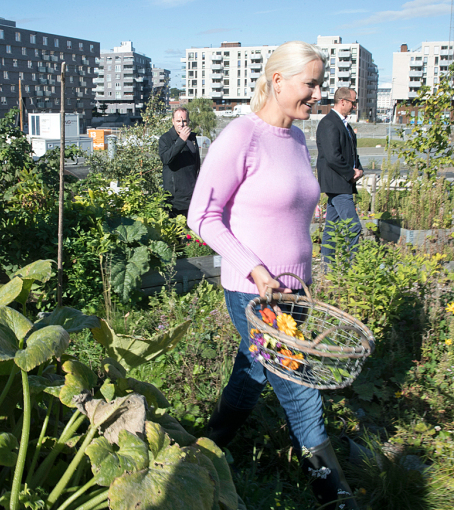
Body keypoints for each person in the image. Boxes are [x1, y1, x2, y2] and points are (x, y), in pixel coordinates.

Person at [188, 41, 358, 509]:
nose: (318, 94)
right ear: (278, 81)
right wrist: (257, 269)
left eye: (321, 84)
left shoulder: (298, 139)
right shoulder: (241, 136)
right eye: (312, 83)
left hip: (295, 292)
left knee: (252, 372)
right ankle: (336, 497)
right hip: (254, 294)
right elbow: (202, 215)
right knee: (299, 388)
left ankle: (204, 452)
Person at [316, 87, 363, 266]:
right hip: (337, 182)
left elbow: (351, 152)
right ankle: (356, 267)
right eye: (353, 102)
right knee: (354, 226)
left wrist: (359, 169)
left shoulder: (345, 125)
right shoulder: (329, 123)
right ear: (342, 101)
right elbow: (332, 156)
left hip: (342, 182)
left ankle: (327, 265)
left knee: (331, 226)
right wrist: (351, 173)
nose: (354, 106)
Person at [158, 107, 201, 218]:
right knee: (177, 233)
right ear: (173, 121)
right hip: (175, 199)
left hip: (192, 195)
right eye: (178, 121)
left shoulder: (192, 138)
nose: (181, 124)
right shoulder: (165, 139)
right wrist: (181, 140)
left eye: (184, 121)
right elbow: (166, 159)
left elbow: (196, 165)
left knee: (191, 233)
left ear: (188, 121)